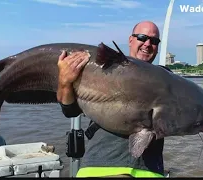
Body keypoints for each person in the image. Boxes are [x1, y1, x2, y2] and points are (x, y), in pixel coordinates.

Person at [57, 21, 172, 178]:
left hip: (149, 170)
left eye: (154, 41)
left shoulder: (166, 78)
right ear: (130, 40)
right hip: (100, 166)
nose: (147, 44)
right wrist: (64, 82)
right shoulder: (101, 69)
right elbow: (70, 110)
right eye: (142, 37)